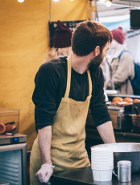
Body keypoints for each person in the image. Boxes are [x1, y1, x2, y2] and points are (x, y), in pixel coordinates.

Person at [30, 21, 116, 185]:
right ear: (96, 50)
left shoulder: (95, 74)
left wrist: (115, 151)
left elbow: (101, 114)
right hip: (50, 161)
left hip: (79, 160)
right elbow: (43, 120)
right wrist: (46, 162)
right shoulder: (51, 72)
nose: (105, 55)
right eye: (105, 50)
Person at [105, 27, 135, 95]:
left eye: (112, 39)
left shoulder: (125, 55)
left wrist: (107, 85)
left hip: (123, 93)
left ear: (118, 40)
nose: (110, 41)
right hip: (113, 92)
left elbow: (121, 77)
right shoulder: (112, 54)